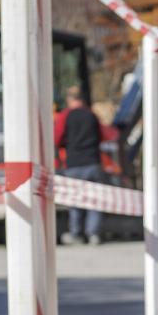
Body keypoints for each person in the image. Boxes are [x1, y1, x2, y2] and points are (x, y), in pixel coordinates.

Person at [54, 86, 106, 245]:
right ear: (82, 99)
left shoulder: (65, 116)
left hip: (74, 164)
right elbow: (102, 136)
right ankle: (93, 234)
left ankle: (76, 234)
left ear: (69, 99)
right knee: (94, 200)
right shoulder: (91, 115)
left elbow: (57, 138)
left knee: (75, 200)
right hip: (92, 162)